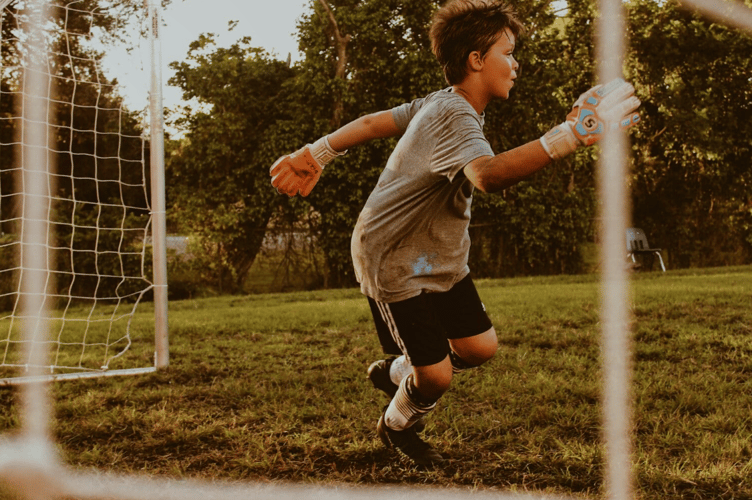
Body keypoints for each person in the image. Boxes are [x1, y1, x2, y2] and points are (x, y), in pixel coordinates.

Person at [270, 0, 640, 466]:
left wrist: (316, 153)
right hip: (395, 260)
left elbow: (371, 122)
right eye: (508, 51)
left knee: (479, 347)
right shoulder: (453, 115)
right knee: (438, 377)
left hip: (436, 258)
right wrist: (570, 134)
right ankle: (398, 424)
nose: (515, 62)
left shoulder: (439, 103)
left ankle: (400, 369)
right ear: (476, 60)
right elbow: (487, 176)